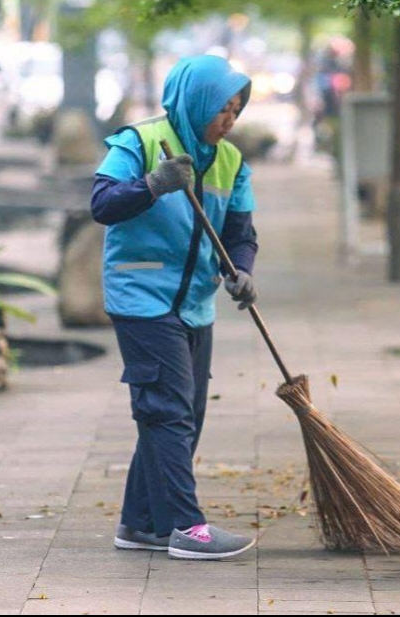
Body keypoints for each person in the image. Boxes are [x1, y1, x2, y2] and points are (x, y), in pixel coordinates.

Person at [90, 55, 259, 561]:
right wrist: (153, 184)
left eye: (235, 109)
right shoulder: (138, 142)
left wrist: (242, 270)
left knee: (183, 412)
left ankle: (140, 524)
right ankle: (187, 527)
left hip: (194, 303)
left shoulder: (230, 161)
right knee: (168, 411)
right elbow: (101, 204)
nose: (227, 120)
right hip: (141, 295)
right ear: (196, 101)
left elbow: (240, 234)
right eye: (221, 109)